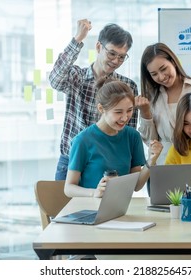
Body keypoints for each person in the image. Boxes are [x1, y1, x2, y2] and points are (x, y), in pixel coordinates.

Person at [49, 19, 138, 180]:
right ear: (98, 47)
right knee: (66, 206)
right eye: (111, 53)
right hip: (70, 162)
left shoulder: (127, 86)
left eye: (121, 57)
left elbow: (128, 133)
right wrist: (78, 39)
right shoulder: (77, 77)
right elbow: (55, 79)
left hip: (107, 166)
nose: (116, 61)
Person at [65, 78, 163, 198]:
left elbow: (136, 186)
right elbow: (68, 188)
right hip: (90, 209)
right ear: (101, 109)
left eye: (129, 110)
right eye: (118, 112)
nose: (125, 118)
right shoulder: (82, 141)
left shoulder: (132, 136)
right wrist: (94, 192)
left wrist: (151, 160)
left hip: (120, 208)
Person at [136, 42, 191, 165]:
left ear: (174, 62)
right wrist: (145, 113)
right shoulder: (151, 97)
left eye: (163, 69)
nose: (161, 77)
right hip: (164, 163)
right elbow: (151, 141)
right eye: (154, 74)